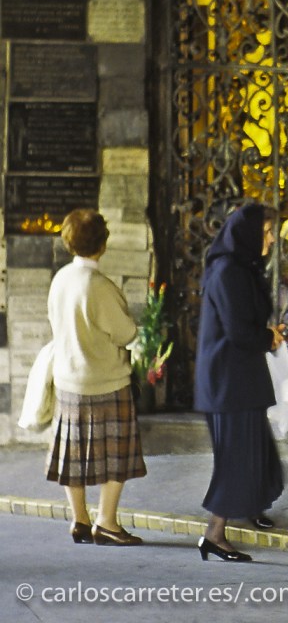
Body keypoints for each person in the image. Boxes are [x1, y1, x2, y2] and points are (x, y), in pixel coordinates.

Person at [46, 208, 146, 545]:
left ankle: (79, 520)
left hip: (68, 381)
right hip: (106, 381)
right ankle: (107, 522)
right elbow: (125, 331)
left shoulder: (60, 279)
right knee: (117, 455)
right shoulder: (100, 286)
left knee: (72, 455)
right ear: (102, 245)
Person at [194, 200, 286, 562]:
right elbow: (236, 330)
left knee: (255, 450)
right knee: (236, 458)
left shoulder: (240, 267)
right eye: (266, 232)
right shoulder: (228, 271)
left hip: (237, 377)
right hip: (228, 381)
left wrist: (265, 334)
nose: (272, 239)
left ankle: (252, 505)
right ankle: (214, 535)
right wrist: (267, 338)